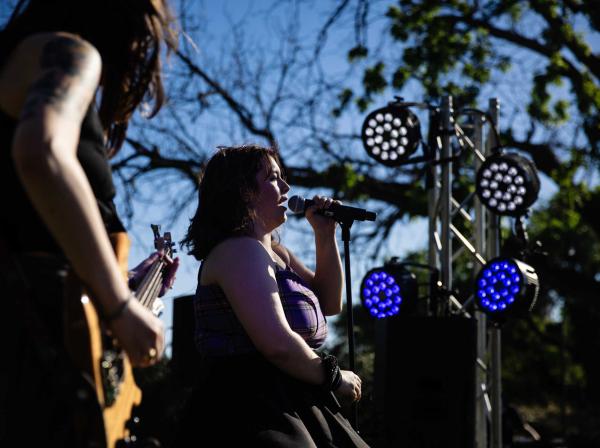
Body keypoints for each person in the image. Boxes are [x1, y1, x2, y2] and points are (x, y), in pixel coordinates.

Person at [0, 0, 177, 446]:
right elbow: (41, 152)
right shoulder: (70, 53)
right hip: (33, 361)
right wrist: (119, 304)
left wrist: (131, 289)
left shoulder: (17, 57)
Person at [177, 144, 369, 447]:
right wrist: (333, 377)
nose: (286, 187)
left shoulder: (278, 254)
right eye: (272, 178)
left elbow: (330, 303)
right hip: (249, 407)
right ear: (242, 190)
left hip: (293, 398)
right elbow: (277, 344)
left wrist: (324, 234)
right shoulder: (239, 250)